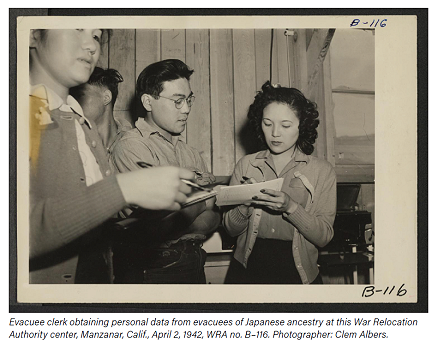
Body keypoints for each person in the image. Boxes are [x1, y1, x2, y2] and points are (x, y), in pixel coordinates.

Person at [29, 29, 194, 284]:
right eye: (76, 30)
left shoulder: (81, 123)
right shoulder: (18, 113)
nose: (91, 45)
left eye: (96, 35)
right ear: (32, 34)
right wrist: (123, 189)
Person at [111, 59, 220, 284]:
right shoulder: (132, 146)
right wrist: (201, 202)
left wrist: (184, 217)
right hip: (152, 268)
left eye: (189, 100)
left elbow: (216, 215)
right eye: (178, 101)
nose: (187, 109)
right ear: (148, 102)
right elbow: (154, 226)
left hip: (195, 261)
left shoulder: (191, 153)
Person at [223, 81, 336, 284]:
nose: (275, 133)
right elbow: (230, 229)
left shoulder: (322, 170)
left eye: (285, 125)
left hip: (298, 271)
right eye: (267, 124)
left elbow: (324, 236)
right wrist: (245, 203)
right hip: (248, 268)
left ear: (302, 125)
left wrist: (291, 207)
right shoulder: (246, 165)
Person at [70, 67, 132, 167]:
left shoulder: (134, 141)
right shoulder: (72, 141)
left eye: (80, 95)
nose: (73, 102)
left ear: (106, 98)